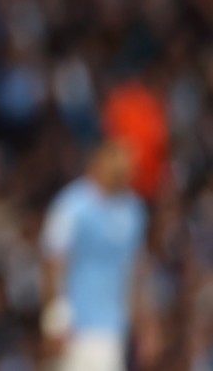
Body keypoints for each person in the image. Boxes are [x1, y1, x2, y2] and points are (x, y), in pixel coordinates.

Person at [39, 140, 160, 371]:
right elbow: (53, 261)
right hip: (77, 323)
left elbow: (136, 269)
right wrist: (55, 319)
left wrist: (146, 325)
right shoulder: (71, 206)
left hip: (114, 325)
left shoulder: (134, 210)